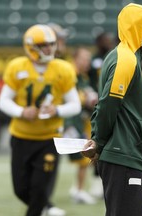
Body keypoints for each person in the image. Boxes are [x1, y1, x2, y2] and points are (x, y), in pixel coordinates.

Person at [81, 3, 142, 216]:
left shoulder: (123, 55)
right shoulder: (125, 59)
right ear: (135, 25)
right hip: (123, 153)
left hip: (123, 153)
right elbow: (109, 104)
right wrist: (98, 141)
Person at [0, 24, 81, 216]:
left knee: (40, 188)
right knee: (21, 189)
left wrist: (56, 110)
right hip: (21, 136)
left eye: (51, 44)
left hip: (49, 138)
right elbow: (4, 101)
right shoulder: (17, 66)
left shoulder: (63, 69)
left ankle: (40, 209)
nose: (50, 49)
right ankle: (46, 208)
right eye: (44, 45)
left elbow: (74, 105)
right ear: (31, 47)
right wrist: (21, 112)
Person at [65, 47, 98, 204]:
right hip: (67, 121)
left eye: (88, 59)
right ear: (75, 58)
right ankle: (78, 190)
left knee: (88, 156)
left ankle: (78, 188)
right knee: (84, 158)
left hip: (80, 121)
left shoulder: (83, 77)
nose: (87, 62)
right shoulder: (68, 73)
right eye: (84, 58)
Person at [87, 31, 116, 199]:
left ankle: (104, 182)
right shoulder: (95, 59)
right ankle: (96, 182)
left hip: (109, 101)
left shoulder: (114, 57)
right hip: (96, 106)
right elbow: (89, 79)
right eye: (105, 40)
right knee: (95, 143)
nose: (108, 42)